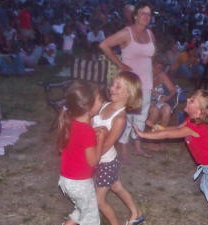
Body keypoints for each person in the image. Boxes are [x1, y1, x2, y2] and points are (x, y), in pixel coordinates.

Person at [134, 89, 208, 225]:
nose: (188, 99)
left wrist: (144, 135)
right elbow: (174, 129)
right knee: (206, 188)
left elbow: (169, 135)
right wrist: (157, 127)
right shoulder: (191, 121)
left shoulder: (195, 128)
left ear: (200, 112)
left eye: (192, 100)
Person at [99, 1, 155, 160]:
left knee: (142, 115)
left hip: (146, 81)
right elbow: (104, 45)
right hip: (129, 83)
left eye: (148, 14)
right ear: (135, 15)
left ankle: (137, 145)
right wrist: (119, 63)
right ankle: (123, 147)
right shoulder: (126, 32)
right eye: (143, 13)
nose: (146, 16)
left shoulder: (150, 34)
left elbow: (151, 55)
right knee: (126, 115)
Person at [92, 71, 145, 225]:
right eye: (113, 84)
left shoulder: (120, 119)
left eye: (118, 86)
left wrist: (90, 159)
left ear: (128, 94)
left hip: (106, 162)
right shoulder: (104, 105)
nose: (112, 88)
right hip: (99, 157)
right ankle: (136, 212)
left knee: (98, 200)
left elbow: (107, 144)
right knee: (117, 188)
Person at [57, 81, 107, 225]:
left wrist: (92, 136)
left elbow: (77, 143)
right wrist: (101, 140)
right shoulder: (87, 131)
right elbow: (93, 162)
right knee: (91, 218)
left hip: (66, 180)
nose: (102, 103)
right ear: (89, 106)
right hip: (80, 184)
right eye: (100, 100)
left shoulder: (70, 122)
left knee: (81, 209)